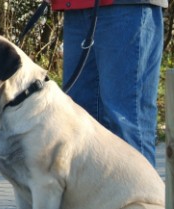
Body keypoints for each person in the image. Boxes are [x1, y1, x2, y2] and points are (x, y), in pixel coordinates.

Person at [49, 0, 168, 167]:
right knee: (79, 125)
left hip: (126, 6)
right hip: (75, 6)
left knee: (125, 121)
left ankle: (140, 193)